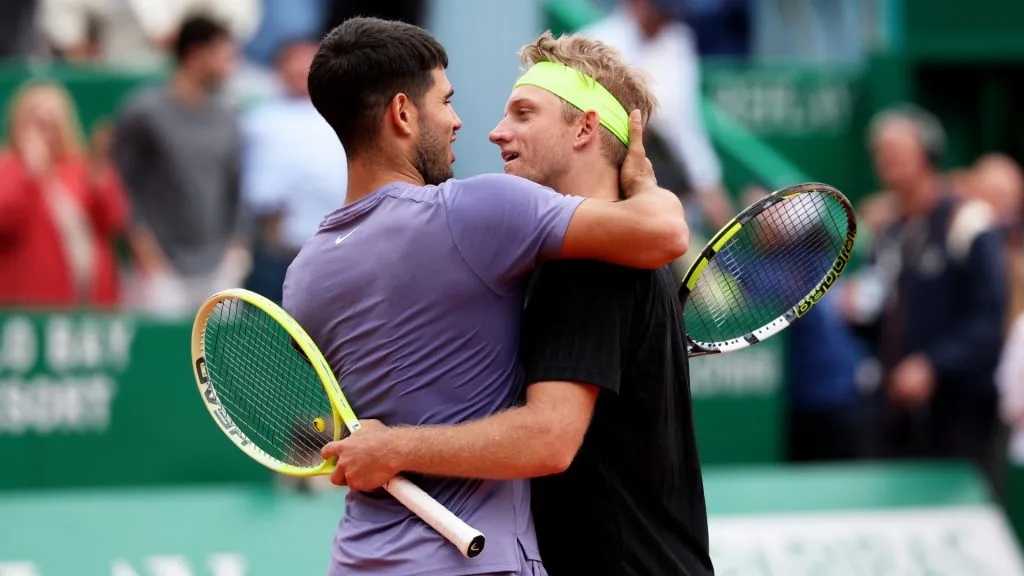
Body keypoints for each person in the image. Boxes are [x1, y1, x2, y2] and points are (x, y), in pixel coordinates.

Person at [284, 17, 688, 576]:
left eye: (522, 114)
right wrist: (644, 182)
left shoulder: (304, 273)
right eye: (446, 102)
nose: (468, 125)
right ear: (403, 113)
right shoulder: (477, 214)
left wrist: (391, 447)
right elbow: (665, 232)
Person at [112, 14, 250, 317]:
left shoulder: (229, 117)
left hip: (219, 271)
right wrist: (143, 248)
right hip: (160, 270)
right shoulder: (143, 112)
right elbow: (120, 184)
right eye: (224, 53)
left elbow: (237, 186)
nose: (232, 62)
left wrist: (237, 248)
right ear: (197, 54)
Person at [0, 80, 129, 307]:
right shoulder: (7, 167)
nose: (45, 130)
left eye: (52, 121)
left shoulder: (79, 168)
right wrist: (29, 174)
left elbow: (113, 221)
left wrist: (102, 181)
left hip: (89, 300)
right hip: (29, 304)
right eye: (36, 121)